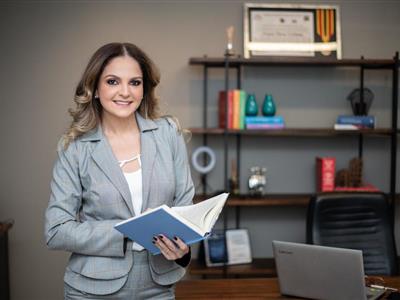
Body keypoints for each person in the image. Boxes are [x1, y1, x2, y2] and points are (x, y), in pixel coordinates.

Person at [45, 42, 194, 299]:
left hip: (159, 285)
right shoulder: (75, 147)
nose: (125, 92)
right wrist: (129, 231)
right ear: (94, 88)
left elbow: (185, 209)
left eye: (135, 82)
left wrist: (183, 248)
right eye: (113, 81)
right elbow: (56, 230)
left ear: (144, 89)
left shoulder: (168, 133)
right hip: (92, 289)